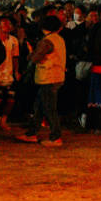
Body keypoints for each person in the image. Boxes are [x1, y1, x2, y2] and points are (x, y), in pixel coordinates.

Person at [18, 14, 66, 147]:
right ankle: (32, 133)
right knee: (39, 107)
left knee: (49, 108)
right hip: (57, 76)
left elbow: (35, 58)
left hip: (48, 77)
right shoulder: (59, 39)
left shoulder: (46, 41)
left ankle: (55, 137)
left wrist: (29, 52)